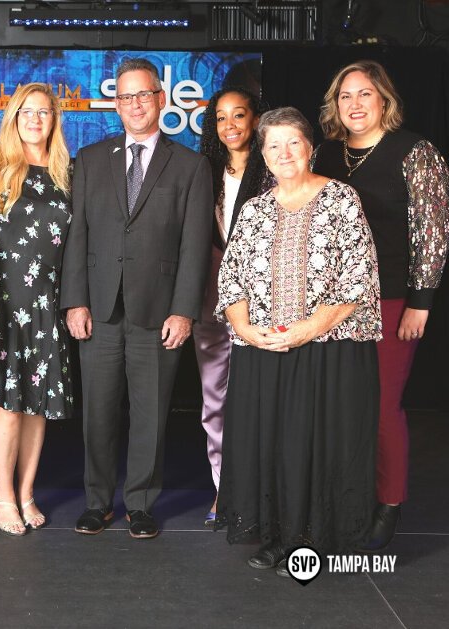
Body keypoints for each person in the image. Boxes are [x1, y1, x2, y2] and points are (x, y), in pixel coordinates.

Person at [215, 107, 381, 576]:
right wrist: (247, 331)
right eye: (273, 145)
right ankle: (277, 536)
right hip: (263, 350)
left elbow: (359, 278)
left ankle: (312, 540)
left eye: (293, 143)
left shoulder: (341, 199)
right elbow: (232, 282)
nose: (284, 153)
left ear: (310, 148)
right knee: (271, 443)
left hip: (328, 350)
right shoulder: (254, 209)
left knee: (318, 443)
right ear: (263, 154)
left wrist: (308, 329)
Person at [61, 58, 213, 539]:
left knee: (151, 413)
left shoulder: (191, 165)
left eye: (143, 95)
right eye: (125, 97)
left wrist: (184, 310)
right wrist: (74, 301)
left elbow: (194, 246)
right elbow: (77, 236)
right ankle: (97, 501)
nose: (135, 105)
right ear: (116, 103)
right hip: (99, 309)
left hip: (158, 310)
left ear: (161, 100)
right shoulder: (89, 159)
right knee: (98, 412)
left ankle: (141, 504)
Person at [312, 60, 449, 551]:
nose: (354, 104)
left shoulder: (415, 152)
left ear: (384, 100)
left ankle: (388, 502)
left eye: (364, 94)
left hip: (392, 299)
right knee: (339, 407)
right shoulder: (324, 153)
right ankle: (345, 498)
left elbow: (432, 233)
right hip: (331, 304)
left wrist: (421, 302)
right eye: (345, 95)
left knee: (382, 405)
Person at [0, 83, 73, 536]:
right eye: (25, 111)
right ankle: (3, 493)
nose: (34, 119)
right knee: (9, 405)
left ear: (54, 120)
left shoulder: (71, 174)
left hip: (49, 303)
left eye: (43, 112)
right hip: (2, 303)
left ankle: (27, 491)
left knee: (38, 407)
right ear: (12, 117)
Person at [194, 86, 271, 527]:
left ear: (255, 119)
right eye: (221, 118)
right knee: (214, 401)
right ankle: (224, 490)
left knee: (257, 399)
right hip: (208, 298)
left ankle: (258, 491)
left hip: (262, 305)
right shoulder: (201, 171)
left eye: (239, 115)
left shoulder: (273, 170)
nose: (230, 126)